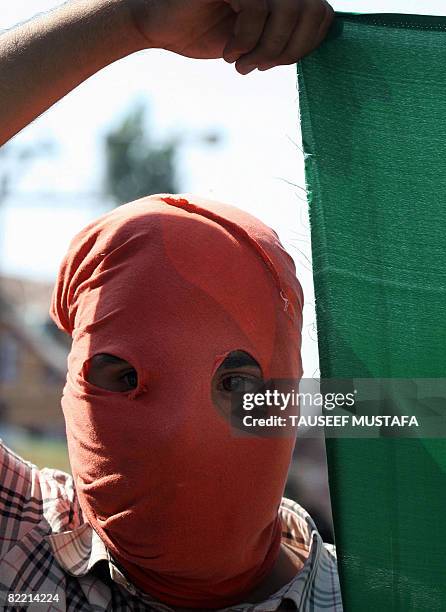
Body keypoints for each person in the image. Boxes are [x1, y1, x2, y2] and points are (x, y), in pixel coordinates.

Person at [0, 1, 342, 610]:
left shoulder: (386, 589)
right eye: (124, 377)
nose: (178, 425)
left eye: (237, 381)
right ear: (72, 387)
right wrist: (129, 18)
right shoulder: (19, 543)